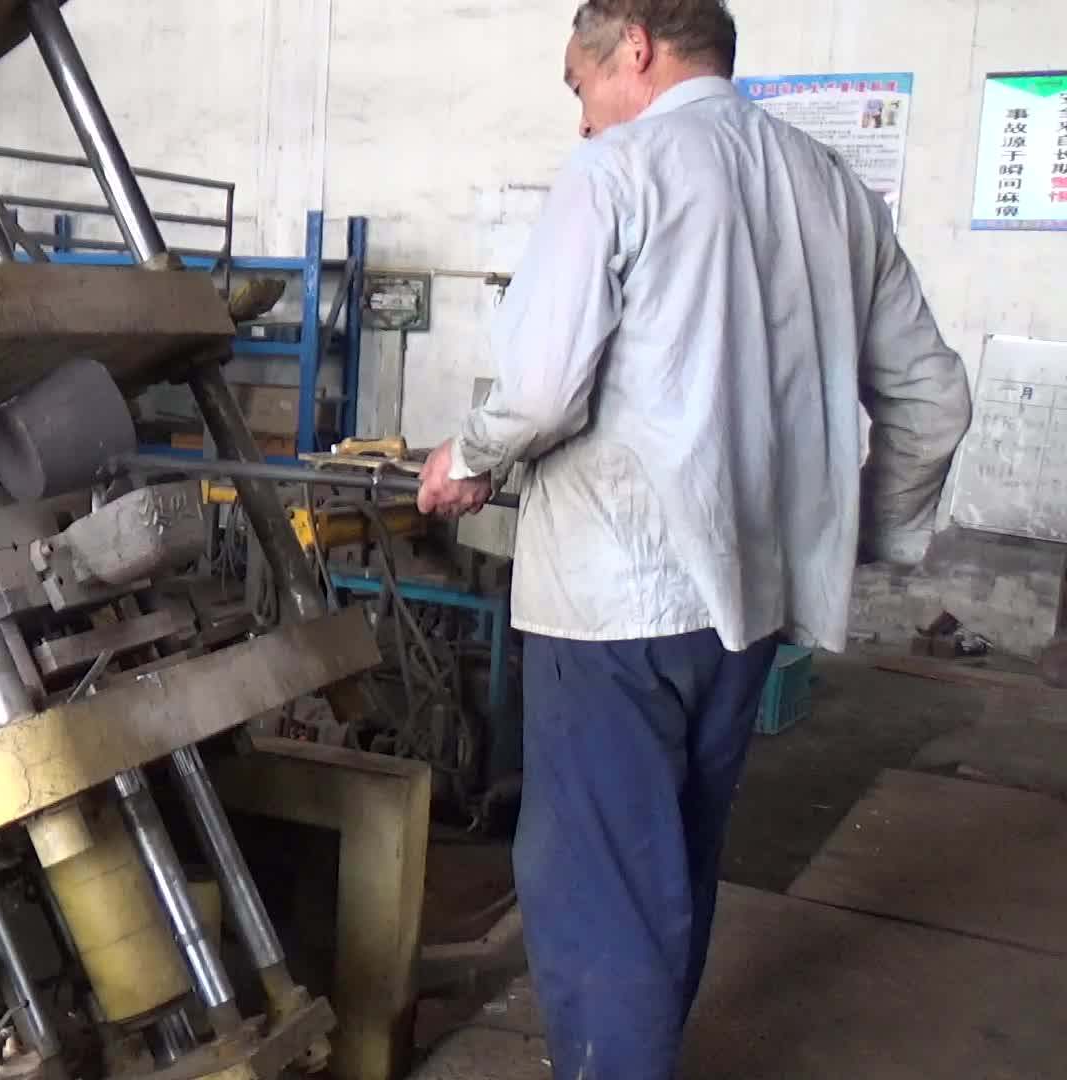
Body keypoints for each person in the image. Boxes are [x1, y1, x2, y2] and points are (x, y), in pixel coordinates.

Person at [412, 1, 972, 1077]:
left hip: (609, 607)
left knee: (598, 892)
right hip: (746, 606)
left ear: (633, 46)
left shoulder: (615, 172)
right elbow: (936, 400)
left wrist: (469, 456)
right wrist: (863, 538)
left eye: (579, 85)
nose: (581, 118)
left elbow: (541, 390)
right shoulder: (833, 189)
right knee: (669, 870)